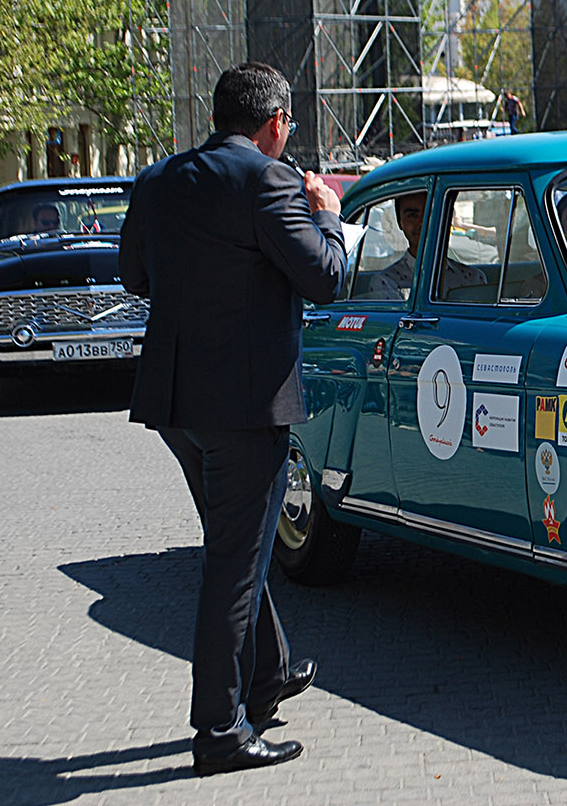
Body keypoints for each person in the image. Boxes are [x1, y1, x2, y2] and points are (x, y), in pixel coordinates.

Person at [119, 62, 347, 775]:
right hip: (246, 408)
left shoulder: (159, 181)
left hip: (177, 402)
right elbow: (326, 279)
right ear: (276, 122)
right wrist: (328, 215)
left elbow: (135, 277)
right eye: (291, 125)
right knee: (232, 565)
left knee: (235, 549)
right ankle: (219, 732)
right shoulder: (269, 182)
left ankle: (267, 674)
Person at [370, 190, 485, 299]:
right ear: (400, 222)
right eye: (413, 216)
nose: (422, 223)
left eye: (431, 214)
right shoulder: (386, 283)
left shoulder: (473, 279)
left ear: (445, 218)